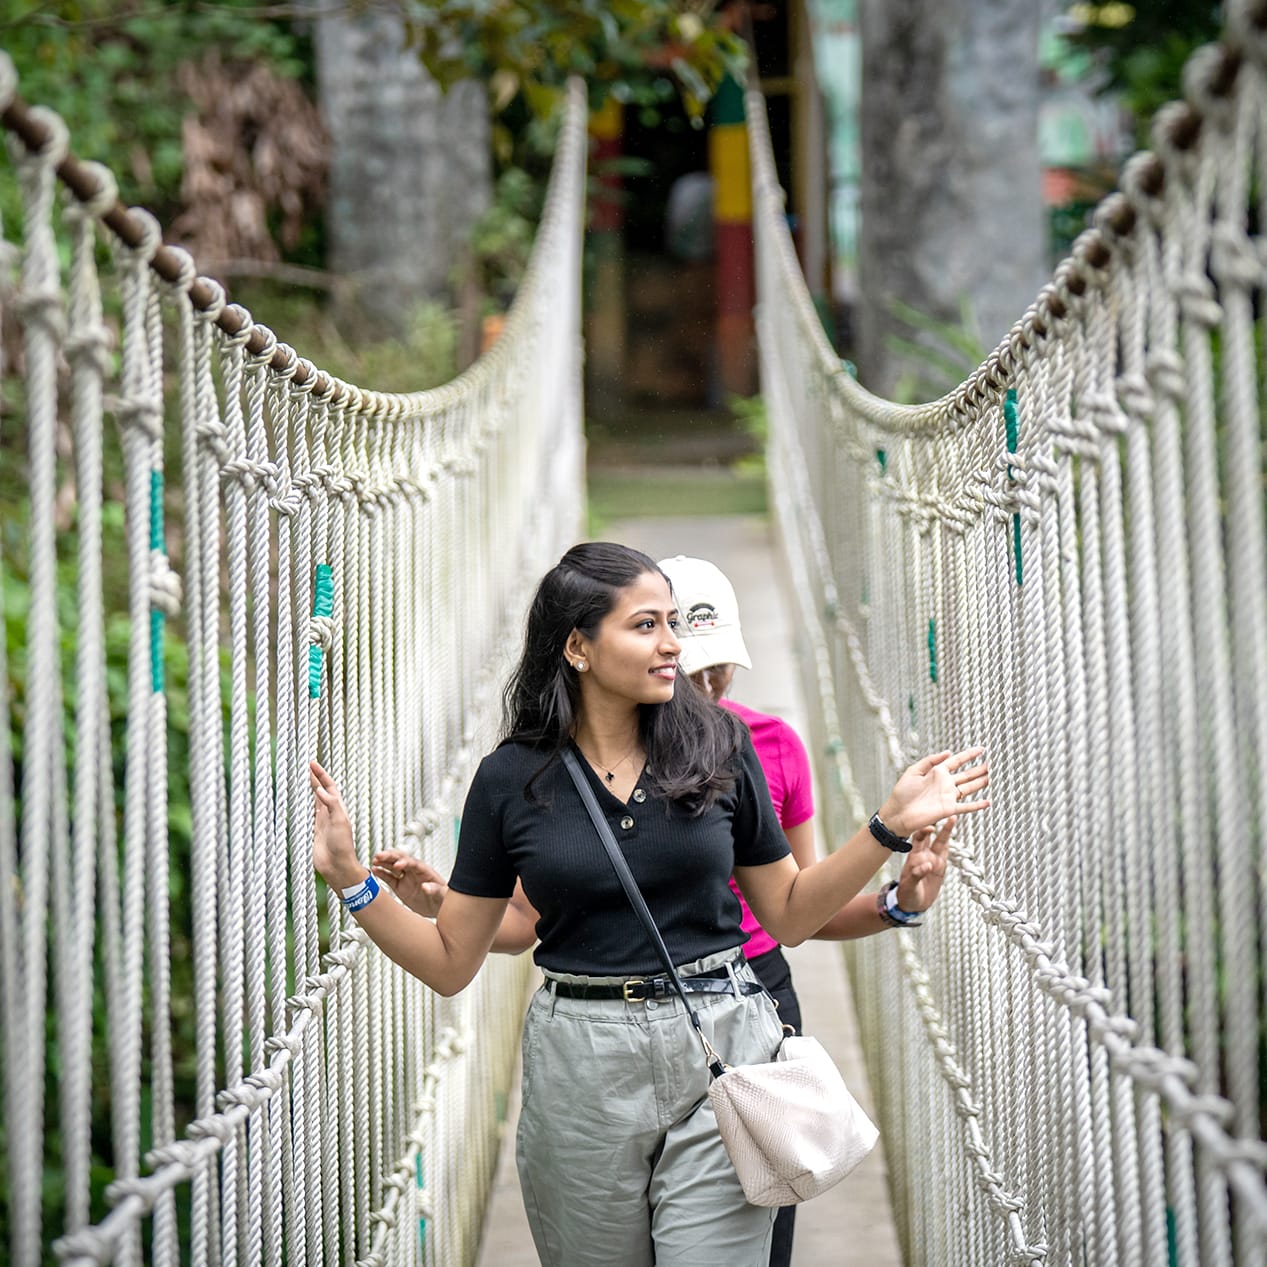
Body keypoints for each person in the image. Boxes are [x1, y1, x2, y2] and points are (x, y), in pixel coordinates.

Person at [310, 542, 990, 1267]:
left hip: (719, 1043)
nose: (673, 644)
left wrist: (883, 829)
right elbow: (450, 961)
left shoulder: (719, 744)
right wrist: (352, 878)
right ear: (576, 645)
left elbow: (789, 911)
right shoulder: (509, 779)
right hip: (581, 1065)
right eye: (646, 625)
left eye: (673, 622)